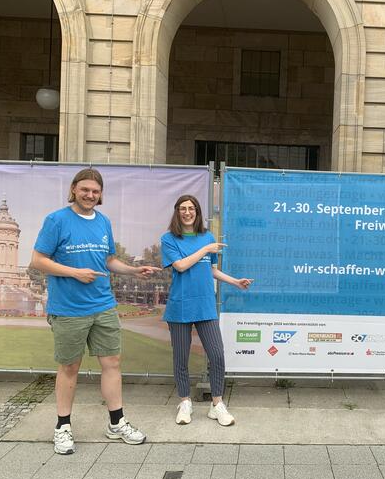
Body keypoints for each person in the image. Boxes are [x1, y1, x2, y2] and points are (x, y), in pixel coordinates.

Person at [30, 168, 160, 455]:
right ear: (74, 189)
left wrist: (133, 270)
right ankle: (62, 427)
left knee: (112, 363)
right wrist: (74, 272)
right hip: (68, 309)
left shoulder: (103, 222)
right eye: (85, 189)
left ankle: (116, 423)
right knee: (69, 367)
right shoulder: (56, 220)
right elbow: (38, 260)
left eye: (96, 191)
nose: (90, 195)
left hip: (103, 305)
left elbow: (108, 260)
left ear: (101, 195)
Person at [161, 194, 252, 426]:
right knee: (181, 358)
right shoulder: (169, 239)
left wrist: (234, 281)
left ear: (197, 212)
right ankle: (185, 402)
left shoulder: (207, 237)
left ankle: (217, 404)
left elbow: (211, 270)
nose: (187, 212)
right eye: (183, 208)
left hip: (205, 305)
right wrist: (206, 249)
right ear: (177, 212)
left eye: (191, 208)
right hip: (180, 306)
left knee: (217, 354)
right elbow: (180, 266)